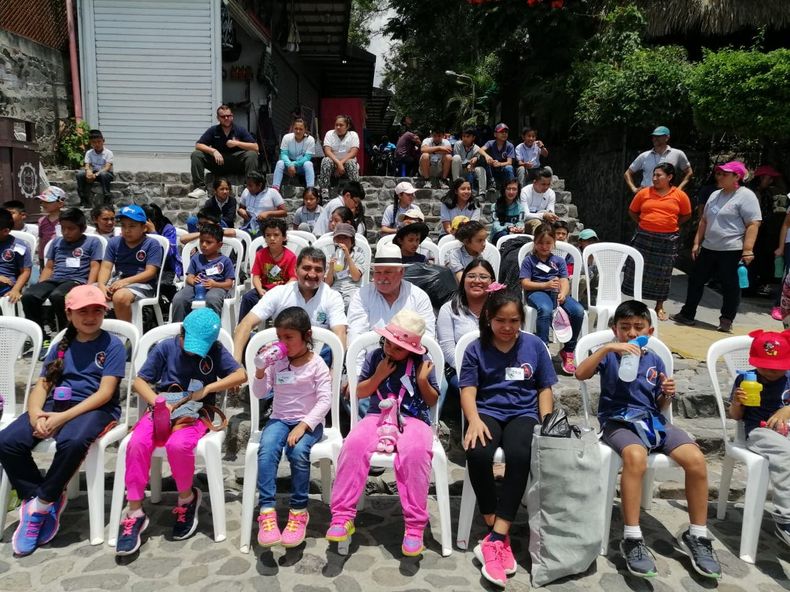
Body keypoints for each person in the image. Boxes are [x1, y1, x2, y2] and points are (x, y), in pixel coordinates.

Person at [575, 300, 721, 580]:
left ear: (650, 331)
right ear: (614, 329)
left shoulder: (654, 359)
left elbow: (659, 402)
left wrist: (667, 393)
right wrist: (607, 347)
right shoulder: (608, 354)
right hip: (617, 420)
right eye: (624, 328)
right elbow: (579, 373)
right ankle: (632, 537)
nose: (631, 333)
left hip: (652, 420)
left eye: (638, 328)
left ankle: (698, 536)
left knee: (696, 459)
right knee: (635, 456)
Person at [0, 285, 126, 557]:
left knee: (73, 440)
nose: (90, 316)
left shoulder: (112, 345)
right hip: (53, 406)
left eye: (97, 310)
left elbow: (105, 393)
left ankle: (41, 506)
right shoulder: (60, 346)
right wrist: (36, 415)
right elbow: (42, 385)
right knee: (7, 441)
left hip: (97, 409)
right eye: (83, 311)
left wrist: (62, 418)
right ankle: (42, 495)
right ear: (69, 314)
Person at [114, 308, 246, 555]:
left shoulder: (215, 350)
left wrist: (209, 389)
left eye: (201, 346)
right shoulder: (165, 347)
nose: (194, 350)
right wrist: (157, 402)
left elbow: (240, 375)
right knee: (136, 443)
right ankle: (134, 512)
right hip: (162, 407)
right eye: (189, 342)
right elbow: (139, 381)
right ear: (181, 333)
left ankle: (187, 498)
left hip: (195, 412)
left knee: (178, 445)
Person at [459, 289, 556, 587]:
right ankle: (494, 530)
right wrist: (473, 420)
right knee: (477, 452)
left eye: (514, 320)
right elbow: (468, 389)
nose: (507, 327)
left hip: (523, 414)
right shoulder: (476, 348)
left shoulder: (534, 346)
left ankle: (497, 535)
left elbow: (544, 388)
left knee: (519, 454)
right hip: (487, 411)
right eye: (501, 320)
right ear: (488, 319)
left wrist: (547, 421)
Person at [326, 309, 439, 557]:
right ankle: (343, 516)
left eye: (398, 347)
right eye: (388, 342)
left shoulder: (423, 363)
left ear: (412, 349)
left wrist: (422, 381)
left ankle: (414, 526)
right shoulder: (376, 356)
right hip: (377, 416)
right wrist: (379, 375)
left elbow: (432, 400)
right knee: (353, 445)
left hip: (413, 418)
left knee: (416, 453)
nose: (390, 350)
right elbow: (360, 393)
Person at [253, 307, 331, 548]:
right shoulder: (277, 363)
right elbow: (260, 393)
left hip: (309, 422)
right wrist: (260, 370)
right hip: (279, 418)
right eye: (279, 337)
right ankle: (267, 510)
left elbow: (325, 400)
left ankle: (298, 511)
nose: (282, 343)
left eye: (289, 338)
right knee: (266, 450)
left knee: (298, 453)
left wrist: (303, 425)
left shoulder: (316, 364)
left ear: (306, 336)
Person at [671, 161, 761, 333]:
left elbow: (753, 224)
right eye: (718, 173)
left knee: (730, 285)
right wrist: (697, 242)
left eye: (724, 174)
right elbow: (704, 220)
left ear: (737, 176)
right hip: (709, 247)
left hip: (732, 249)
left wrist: (748, 249)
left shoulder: (746, 196)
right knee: (696, 279)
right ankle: (687, 314)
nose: (719, 176)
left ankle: (726, 319)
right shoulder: (715, 195)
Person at [728, 329, 790, 547]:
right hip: (759, 431)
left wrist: (787, 410)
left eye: (777, 367)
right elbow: (736, 417)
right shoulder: (745, 379)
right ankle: (785, 518)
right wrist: (737, 402)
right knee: (786, 455)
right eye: (764, 366)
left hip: (787, 429)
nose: (770, 372)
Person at [233, 247, 347, 363]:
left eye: (318, 270)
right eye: (306, 268)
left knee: (333, 346)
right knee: (250, 339)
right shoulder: (279, 293)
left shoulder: (332, 296)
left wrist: (335, 371)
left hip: (318, 359)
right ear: (296, 269)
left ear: (324, 273)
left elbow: (340, 332)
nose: (312, 274)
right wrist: (235, 367)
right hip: (281, 355)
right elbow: (246, 324)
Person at [623, 163, 692, 321]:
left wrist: (669, 224)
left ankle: (659, 305)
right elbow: (633, 211)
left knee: (663, 273)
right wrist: (645, 223)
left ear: (670, 177)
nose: (654, 178)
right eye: (654, 175)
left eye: (659, 175)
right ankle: (635, 304)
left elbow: (686, 215)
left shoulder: (679, 195)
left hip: (667, 240)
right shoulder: (644, 193)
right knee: (637, 269)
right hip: (644, 237)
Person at [22, 208, 102, 340]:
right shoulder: (57, 242)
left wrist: (89, 286)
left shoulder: (93, 242)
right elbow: (49, 267)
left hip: (76, 280)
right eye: (63, 228)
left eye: (71, 229)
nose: (66, 232)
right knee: (29, 296)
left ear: (82, 228)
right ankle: (41, 336)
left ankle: (68, 333)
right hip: (55, 279)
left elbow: (95, 266)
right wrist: (41, 286)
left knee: (58, 296)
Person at [520, 223, 585, 375]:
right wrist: (545, 285)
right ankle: (543, 349)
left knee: (578, 310)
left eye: (548, 243)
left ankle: (568, 350)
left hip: (556, 293)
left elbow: (564, 280)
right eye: (540, 243)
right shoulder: (529, 261)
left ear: (554, 243)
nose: (544, 246)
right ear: (534, 243)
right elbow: (525, 283)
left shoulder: (558, 261)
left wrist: (563, 293)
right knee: (546, 309)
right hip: (536, 291)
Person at [347, 243, 435, 347]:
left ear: (401, 272)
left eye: (388, 272)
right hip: (371, 361)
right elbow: (356, 338)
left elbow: (427, 338)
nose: (381, 278)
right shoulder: (362, 295)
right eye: (378, 272)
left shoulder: (418, 297)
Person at [436, 259, 494, 411]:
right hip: (459, 369)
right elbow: (448, 350)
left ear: (492, 281)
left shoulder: (500, 308)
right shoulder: (449, 309)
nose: (477, 281)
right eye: (471, 276)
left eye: (483, 277)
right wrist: (477, 371)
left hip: (496, 367)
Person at [97, 205, 163, 323]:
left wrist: (125, 282)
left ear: (144, 228)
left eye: (132, 226)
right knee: (84, 293)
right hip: (117, 281)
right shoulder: (114, 242)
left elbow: (150, 273)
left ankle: (126, 336)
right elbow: (106, 267)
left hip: (142, 283)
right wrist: (102, 285)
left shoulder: (152, 244)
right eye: (123, 225)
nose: (127, 230)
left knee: (120, 297)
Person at [189, 104, 259, 199]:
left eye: (228, 116)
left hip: (236, 163)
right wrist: (213, 151)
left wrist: (236, 143)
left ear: (232, 116)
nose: (226, 118)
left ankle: (248, 188)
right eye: (223, 116)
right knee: (196, 154)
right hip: (218, 163)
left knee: (252, 154)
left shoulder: (240, 130)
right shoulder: (213, 130)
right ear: (218, 118)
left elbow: (255, 147)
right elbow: (198, 145)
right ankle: (200, 188)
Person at [171, 223, 235, 321]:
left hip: (217, 288)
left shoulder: (225, 261)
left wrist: (215, 284)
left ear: (219, 245)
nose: (204, 245)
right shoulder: (196, 258)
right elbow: (189, 277)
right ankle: (179, 329)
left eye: (209, 242)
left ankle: (212, 327)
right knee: (179, 298)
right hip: (196, 288)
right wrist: (194, 281)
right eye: (201, 241)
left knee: (212, 298)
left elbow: (229, 284)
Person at [238, 218, 297, 321]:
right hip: (264, 291)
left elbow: (293, 278)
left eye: (276, 235)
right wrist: (260, 290)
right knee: (247, 298)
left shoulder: (290, 257)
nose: (272, 238)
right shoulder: (260, 254)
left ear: (284, 237)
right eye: (268, 235)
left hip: (283, 293)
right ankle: (243, 329)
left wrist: (280, 291)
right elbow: (256, 276)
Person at [625, 126, 693, 193]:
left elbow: (689, 172)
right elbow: (627, 173)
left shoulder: (678, 154)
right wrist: (634, 189)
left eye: (658, 136)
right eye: (654, 136)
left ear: (667, 138)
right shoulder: (644, 156)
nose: (655, 138)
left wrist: (679, 188)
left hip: (667, 195)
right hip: (646, 195)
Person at [323, 223, 365, 309]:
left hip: (352, 289)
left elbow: (356, 277)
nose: (341, 241)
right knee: (329, 303)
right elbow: (327, 284)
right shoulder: (331, 257)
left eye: (345, 238)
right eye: (339, 238)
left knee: (351, 303)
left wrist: (348, 256)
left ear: (352, 241)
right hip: (335, 289)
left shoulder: (358, 256)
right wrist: (331, 268)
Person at [237, 171, 286, 238]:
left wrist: (268, 213)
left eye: (250, 186)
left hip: (267, 228)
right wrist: (241, 211)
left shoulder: (272, 193)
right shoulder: (246, 192)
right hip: (248, 226)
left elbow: (284, 212)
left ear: (259, 185)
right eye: (247, 185)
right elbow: (241, 208)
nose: (248, 188)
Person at [271, 118, 316, 192]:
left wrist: (294, 164)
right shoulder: (287, 137)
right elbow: (283, 154)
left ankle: (310, 190)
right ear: (293, 128)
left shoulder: (310, 139)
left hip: (301, 166)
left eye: (301, 129)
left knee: (308, 164)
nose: (298, 131)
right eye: (296, 128)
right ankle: (275, 189)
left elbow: (307, 157)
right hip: (288, 165)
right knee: (280, 163)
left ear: (305, 129)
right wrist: (289, 164)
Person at [319, 115, 360, 194]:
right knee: (326, 160)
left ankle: (355, 192)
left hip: (347, 166)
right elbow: (327, 151)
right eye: (336, 125)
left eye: (341, 125)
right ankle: (324, 193)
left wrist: (341, 163)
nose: (338, 127)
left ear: (347, 126)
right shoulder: (330, 134)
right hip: (333, 165)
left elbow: (353, 152)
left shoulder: (353, 135)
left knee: (351, 162)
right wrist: (338, 163)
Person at [0, 207, 32, 306]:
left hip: (6, 285)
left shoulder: (19, 246)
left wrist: (16, 289)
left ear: (5, 231)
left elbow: (25, 271)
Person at [76, 129, 114, 206]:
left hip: (105, 174)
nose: (97, 144)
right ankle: (83, 198)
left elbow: (107, 167)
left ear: (103, 141)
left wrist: (95, 175)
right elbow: (87, 165)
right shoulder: (89, 153)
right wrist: (88, 172)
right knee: (79, 175)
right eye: (94, 142)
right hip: (93, 173)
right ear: (91, 143)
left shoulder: (108, 153)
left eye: (99, 141)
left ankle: (107, 197)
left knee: (103, 174)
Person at [520, 168, 558, 235]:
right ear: (534, 182)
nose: (546, 187)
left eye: (548, 184)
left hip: (544, 221)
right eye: (543, 184)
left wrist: (551, 216)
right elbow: (525, 215)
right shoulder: (525, 192)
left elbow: (550, 211)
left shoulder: (551, 193)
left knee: (560, 226)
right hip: (526, 223)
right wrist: (543, 215)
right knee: (536, 222)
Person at [451, 128, 487, 197]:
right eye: (463, 136)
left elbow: (479, 162)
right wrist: (468, 163)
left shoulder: (477, 148)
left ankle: (482, 194)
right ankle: (456, 185)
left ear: (473, 137)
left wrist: (476, 159)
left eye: (467, 137)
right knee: (456, 157)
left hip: (470, 172)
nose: (465, 139)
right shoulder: (458, 144)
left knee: (481, 169)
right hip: (460, 171)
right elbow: (457, 161)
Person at [479, 123, 515, 189]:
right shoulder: (490, 143)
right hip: (491, 169)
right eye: (501, 132)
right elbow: (480, 150)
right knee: (482, 157)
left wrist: (500, 164)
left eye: (506, 132)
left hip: (502, 169)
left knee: (509, 168)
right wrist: (487, 156)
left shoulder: (510, 145)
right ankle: (491, 182)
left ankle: (511, 187)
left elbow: (509, 162)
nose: (504, 134)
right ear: (495, 134)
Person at [37, 186, 66, 267]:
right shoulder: (41, 221)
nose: (43, 204)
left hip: (61, 255)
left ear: (60, 203)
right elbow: (41, 239)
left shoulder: (66, 220)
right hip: (45, 257)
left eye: (48, 202)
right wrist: (41, 257)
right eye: (42, 201)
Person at [491, 178, 525, 244]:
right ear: (504, 190)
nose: (511, 192)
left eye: (514, 189)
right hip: (499, 236)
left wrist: (518, 228)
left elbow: (521, 223)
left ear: (518, 191)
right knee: (504, 234)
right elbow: (495, 225)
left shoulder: (521, 208)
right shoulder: (495, 206)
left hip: (514, 235)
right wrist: (507, 228)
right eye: (508, 189)